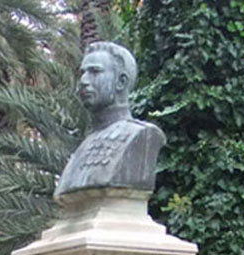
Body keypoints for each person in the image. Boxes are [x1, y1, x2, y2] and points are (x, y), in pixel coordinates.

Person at [54, 41, 166, 198]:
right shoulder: (84, 146)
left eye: (95, 72)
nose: (84, 81)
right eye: (83, 73)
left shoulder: (143, 136)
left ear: (121, 82)